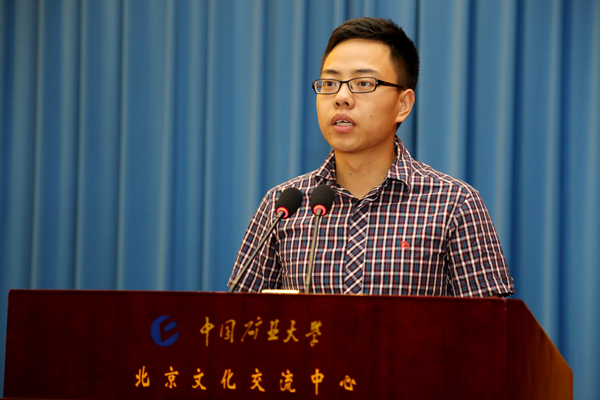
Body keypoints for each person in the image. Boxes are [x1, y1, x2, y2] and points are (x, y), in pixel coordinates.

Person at [228, 17, 515, 297]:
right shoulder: (283, 206)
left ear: (403, 105)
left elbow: (489, 324)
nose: (341, 97)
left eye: (364, 83)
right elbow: (239, 318)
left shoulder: (454, 203)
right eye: (330, 83)